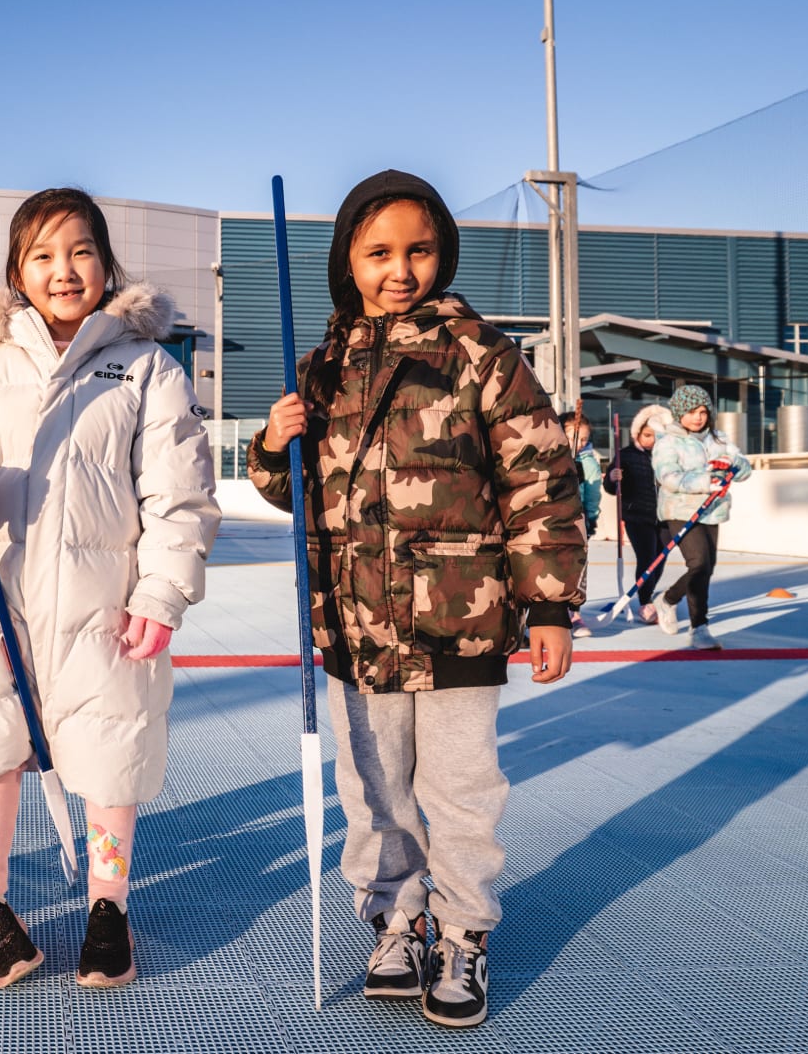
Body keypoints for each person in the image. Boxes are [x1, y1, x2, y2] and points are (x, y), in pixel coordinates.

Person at [247, 170, 585, 1028]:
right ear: (348, 262)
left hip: (457, 622)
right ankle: (396, 919)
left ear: (444, 254)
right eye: (379, 253)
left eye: (419, 250)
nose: (400, 269)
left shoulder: (481, 354)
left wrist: (549, 605)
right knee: (373, 790)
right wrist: (272, 446)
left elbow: (541, 478)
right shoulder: (320, 369)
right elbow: (292, 490)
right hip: (354, 628)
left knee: (461, 788)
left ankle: (463, 931)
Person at [0, 187, 220, 990]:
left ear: (106, 264)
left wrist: (161, 593)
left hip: (101, 605)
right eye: (42, 255)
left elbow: (179, 495)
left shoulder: (144, 367)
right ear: (17, 273)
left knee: (111, 756)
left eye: (81, 251)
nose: (64, 270)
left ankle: (108, 905)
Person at [650, 385, 751, 649]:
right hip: (680, 510)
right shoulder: (668, 442)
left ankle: (668, 600)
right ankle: (699, 628)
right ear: (679, 413)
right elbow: (668, 477)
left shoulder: (718, 439)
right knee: (699, 563)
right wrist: (706, 481)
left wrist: (734, 465)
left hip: (711, 510)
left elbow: (744, 466)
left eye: (703, 412)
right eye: (692, 411)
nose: (698, 417)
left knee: (706, 568)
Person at [604, 404, 670, 623]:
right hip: (638, 516)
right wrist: (613, 478)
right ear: (637, 433)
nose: (652, 440)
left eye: (657, 435)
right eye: (648, 435)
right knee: (647, 558)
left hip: (663, 516)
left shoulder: (666, 456)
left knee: (660, 558)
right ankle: (645, 602)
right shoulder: (625, 455)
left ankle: (647, 591)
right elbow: (610, 488)